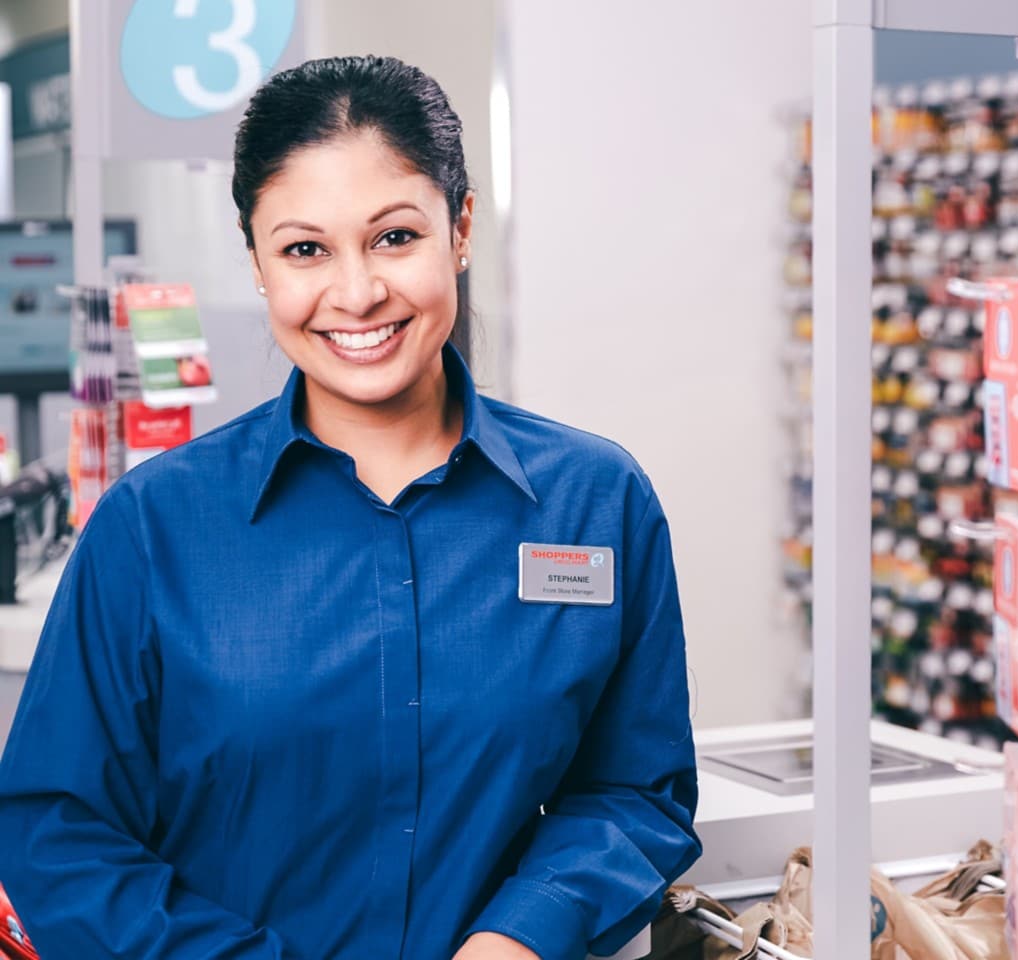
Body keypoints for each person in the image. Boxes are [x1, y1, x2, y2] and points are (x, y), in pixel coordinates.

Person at [0, 56, 700, 960]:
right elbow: (59, 833)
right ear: (256, 262)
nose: (358, 292)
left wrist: (520, 937)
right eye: (304, 249)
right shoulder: (152, 527)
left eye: (394, 237)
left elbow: (635, 789)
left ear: (461, 229)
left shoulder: (595, 502)